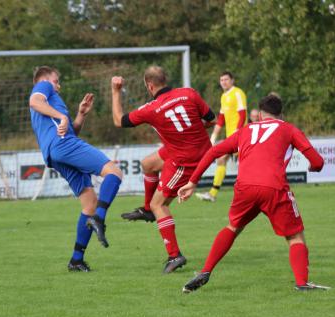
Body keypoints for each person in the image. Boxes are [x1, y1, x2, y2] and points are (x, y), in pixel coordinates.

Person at [178, 94, 330, 293]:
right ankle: (302, 283)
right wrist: (313, 168)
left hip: (245, 188)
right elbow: (318, 162)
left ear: (259, 116)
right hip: (273, 187)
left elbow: (213, 151)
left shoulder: (245, 130)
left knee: (233, 227)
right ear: (281, 114)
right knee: (295, 237)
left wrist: (192, 182)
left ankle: (205, 271)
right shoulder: (288, 128)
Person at [111, 66, 216, 273]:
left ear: (150, 86)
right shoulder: (189, 93)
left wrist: (115, 91)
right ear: (165, 80)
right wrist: (190, 131)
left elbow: (118, 120)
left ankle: (174, 255)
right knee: (147, 164)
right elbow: (211, 119)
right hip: (197, 149)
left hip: (187, 159)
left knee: (159, 204)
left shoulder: (151, 108)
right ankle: (147, 210)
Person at [29, 66, 123, 272]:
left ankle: (76, 260)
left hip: (56, 153)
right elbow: (34, 101)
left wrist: (80, 115)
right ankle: (99, 218)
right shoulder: (43, 88)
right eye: (56, 80)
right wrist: (62, 118)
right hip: (62, 145)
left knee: (89, 202)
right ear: (45, 80)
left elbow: (72, 131)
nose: (58, 84)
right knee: (114, 172)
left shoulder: (52, 105)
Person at [196, 71, 247, 202]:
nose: (223, 82)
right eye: (221, 80)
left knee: (246, 163)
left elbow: (242, 114)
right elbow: (221, 119)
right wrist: (213, 136)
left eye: (226, 79)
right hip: (231, 136)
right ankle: (212, 194)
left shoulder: (238, 93)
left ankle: (215, 194)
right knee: (222, 160)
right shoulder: (224, 96)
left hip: (241, 135)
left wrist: (237, 131)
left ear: (232, 80)